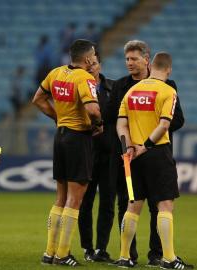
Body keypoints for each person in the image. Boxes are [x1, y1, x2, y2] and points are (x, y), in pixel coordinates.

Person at [104, 40, 185, 267]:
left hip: (133, 156)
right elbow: (164, 125)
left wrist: (128, 147)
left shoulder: (131, 91)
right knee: (165, 205)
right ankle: (168, 258)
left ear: (151, 65)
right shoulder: (168, 90)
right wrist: (147, 145)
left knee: (132, 206)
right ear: (168, 69)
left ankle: (124, 257)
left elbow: (121, 124)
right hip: (156, 153)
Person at [32, 39, 103, 267]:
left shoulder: (56, 73)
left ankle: (49, 252)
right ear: (87, 58)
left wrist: (57, 117)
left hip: (60, 136)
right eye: (93, 55)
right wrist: (99, 124)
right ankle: (63, 254)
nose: (94, 58)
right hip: (78, 138)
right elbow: (93, 109)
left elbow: (38, 99)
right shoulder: (85, 78)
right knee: (75, 199)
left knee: (60, 198)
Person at [78, 52, 115, 263]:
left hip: (110, 154)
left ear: (100, 65)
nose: (91, 66)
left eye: (94, 63)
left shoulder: (113, 87)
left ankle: (102, 248)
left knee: (108, 202)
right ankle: (87, 247)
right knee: (85, 203)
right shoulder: (79, 88)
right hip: (87, 153)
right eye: (88, 63)